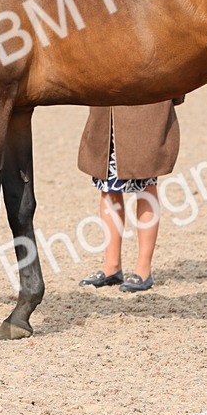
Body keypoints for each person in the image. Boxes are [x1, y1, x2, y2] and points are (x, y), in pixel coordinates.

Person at [77, 100, 181, 293]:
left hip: (145, 106)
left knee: (146, 187)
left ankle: (143, 269)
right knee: (107, 188)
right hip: (106, 106)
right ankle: (112, 266)